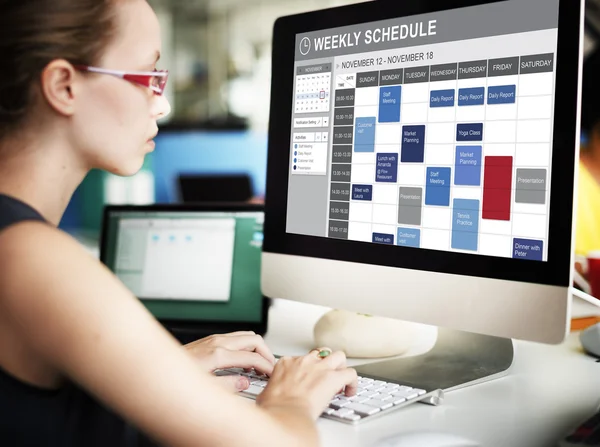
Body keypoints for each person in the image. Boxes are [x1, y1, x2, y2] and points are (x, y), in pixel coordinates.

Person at [0, 1, 357, 446]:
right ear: (64, 86)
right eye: (149, 77)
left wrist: (159, 370)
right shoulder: (34, 261)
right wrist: (291, 399)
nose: (163, 103)